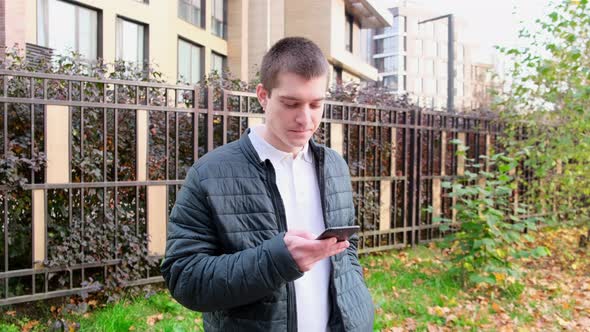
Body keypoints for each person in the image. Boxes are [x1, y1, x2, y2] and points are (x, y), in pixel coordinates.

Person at [161, 37, 374, 332]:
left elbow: (348, 250)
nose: (305, 118)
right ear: (263, 95)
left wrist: (358, 307)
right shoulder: (210, 173)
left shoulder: (334, 165)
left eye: (316, 104)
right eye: (291, 103)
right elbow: (184, 278)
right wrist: (275, 261)